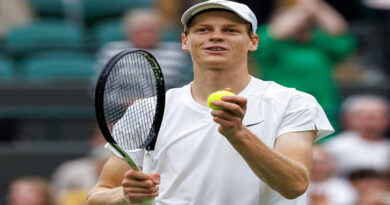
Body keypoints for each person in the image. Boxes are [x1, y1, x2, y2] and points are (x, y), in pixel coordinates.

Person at [86, 1, 334, 204]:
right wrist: (125, 195)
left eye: (230, 30)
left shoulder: (293, 103)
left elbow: (294, 185)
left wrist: (238, 133)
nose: (216, 37)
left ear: (253, 42)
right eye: (203, 30)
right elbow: (97, 196)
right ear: (185, 41)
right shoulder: (148, 110)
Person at [252, 0, 356, 131]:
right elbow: (275, 32)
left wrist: (316, 7)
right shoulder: (270, 44)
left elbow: (339, 31)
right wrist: (302, 9)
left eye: (307, 21)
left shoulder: (321, 43)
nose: (301, 24)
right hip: (281, 112)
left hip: (322, 111)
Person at [95, 8, 192, 90]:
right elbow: (100, 87)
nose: (146, 35)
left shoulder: (176, 53)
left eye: (151, 31)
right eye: (140, 31)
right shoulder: (111, 51)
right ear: (129, 32)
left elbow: (183, 86)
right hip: (120, 109)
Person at [323, 95, 390, 177]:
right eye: (367, 118)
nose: (372, 123)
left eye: (378, 118)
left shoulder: (387, 146)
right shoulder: (333, 147)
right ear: (349, 119)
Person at [51, 125, 110, 205]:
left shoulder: (130, 169)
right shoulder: (70, 170)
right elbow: (55, 196)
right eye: (102, 136)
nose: (107, 141)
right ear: (93, 140)